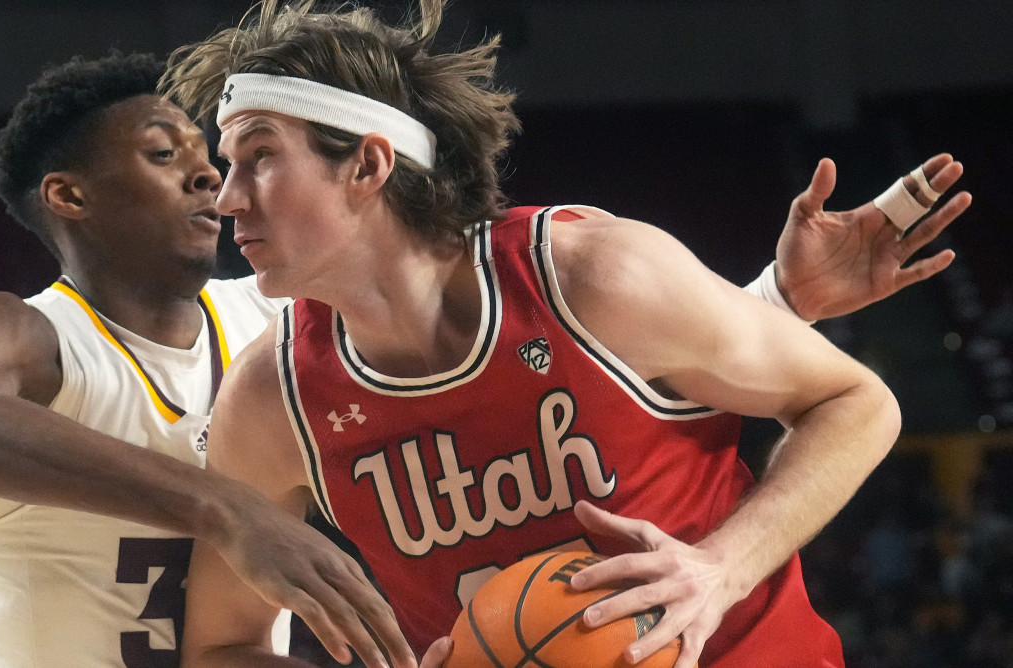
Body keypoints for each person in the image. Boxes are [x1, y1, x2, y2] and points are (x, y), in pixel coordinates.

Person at [159, 1, 972, 666]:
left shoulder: (590, 275)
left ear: (369, 166)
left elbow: (856, 401)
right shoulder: (274, 395)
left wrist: (719, 570)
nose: (227, 198)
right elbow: (223, 645)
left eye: (258, 157)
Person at [0, 52, 413, 668]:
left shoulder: (278, 320)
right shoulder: (24, 332)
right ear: (70, 195)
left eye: (204, 155)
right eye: (164, 155)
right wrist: (223, 508)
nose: (209, 177)